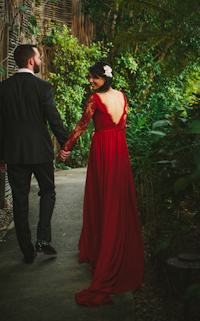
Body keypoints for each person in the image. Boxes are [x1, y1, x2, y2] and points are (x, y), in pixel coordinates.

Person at [57, 61, 143, 307]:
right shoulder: (122, 96)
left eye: (93, 77)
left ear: (103, 78)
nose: (91, 81)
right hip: (119, 150)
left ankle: (103, 251)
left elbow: (82, 125)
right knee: (116, 199)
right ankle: (115, 246)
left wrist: (65, 148)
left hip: (104, 150)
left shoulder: (95, 99)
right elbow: (123, 124)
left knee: (101, 198)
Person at [0, 44, 71, 264]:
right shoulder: (43, 87)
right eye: (39, 57)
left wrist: (0, 156)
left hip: (15, 155)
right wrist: (66, 144)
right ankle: (43, 239)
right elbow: (54, 119)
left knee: (19, 200)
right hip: (41, 152)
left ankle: (27, 251)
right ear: (30, 61)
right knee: (48, 192)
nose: (40, 61)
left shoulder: (1, 89)